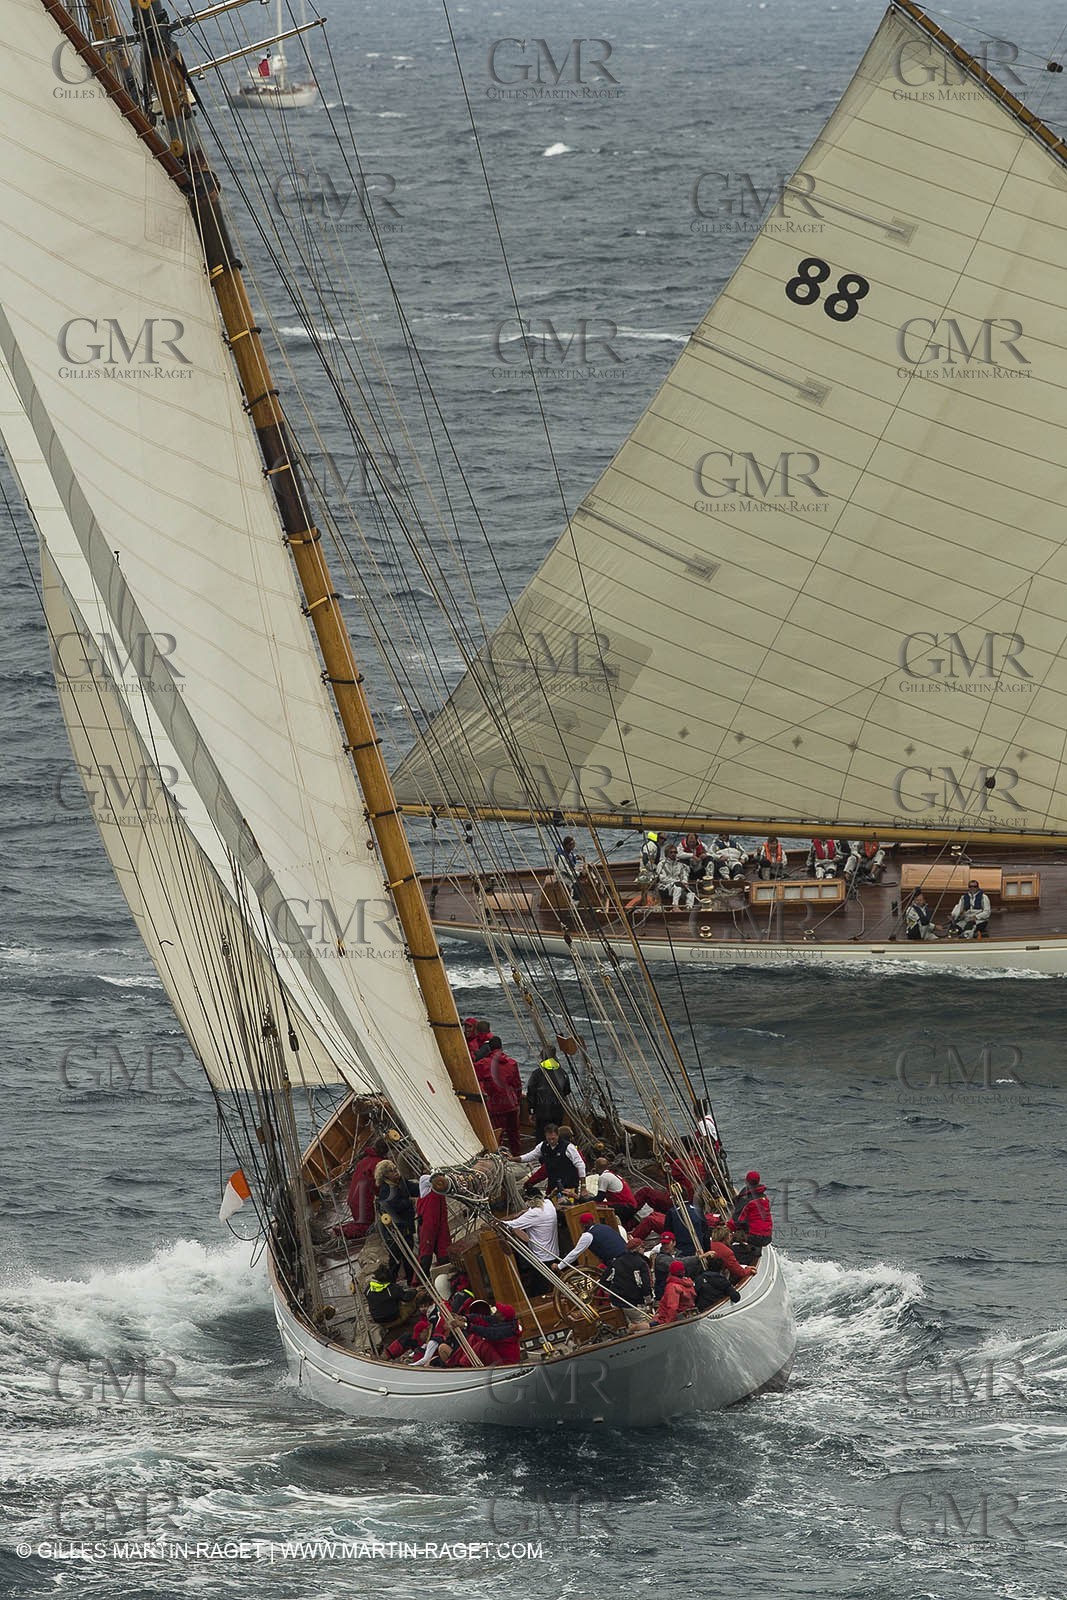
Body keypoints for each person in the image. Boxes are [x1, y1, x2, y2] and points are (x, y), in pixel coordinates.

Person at [500, 1194, 561, 1291]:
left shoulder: (534, 1213)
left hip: (541, 1259)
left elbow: (509, 1225)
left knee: (539, 1289)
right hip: (554, 1255)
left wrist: (517, 1215)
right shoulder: (549, 1204)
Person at [476, 1036, 522, 1155]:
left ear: (489, 1048)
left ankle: (497, 1158)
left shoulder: (483, 1064)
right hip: (512, 1104)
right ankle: (517, 1157)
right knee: (514, 1135)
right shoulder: (512, 1063)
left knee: (497, 1135)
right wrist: (517, 1101)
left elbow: (472, 1078)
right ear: (501, 1047)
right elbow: (517, 1085)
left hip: (496, 1106)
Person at [374, 1160, 418, 1281]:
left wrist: (426, 1185)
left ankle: (411, 1281)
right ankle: (391, 1281)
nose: (396, 1172)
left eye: (395, 1168)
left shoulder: (401, 1182)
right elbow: (393, 1206)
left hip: (406, 1226)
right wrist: (410, 1202)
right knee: (396, 1258)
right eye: (391, 1170)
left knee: (409, 1254)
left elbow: (413, 1188)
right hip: (396, 1231)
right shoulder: (385, 1190)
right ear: (385, 1175)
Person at [337, 1137, 386, 1240]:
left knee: (361, 1222)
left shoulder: (364, 1160)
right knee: (365, 1227)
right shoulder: (379, 1164)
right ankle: (338, 1231)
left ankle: (340, 1229)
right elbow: (378, 1186)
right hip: (362, 1203)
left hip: (353, 1199)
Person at [521, 1123, 586, 1194]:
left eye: (553, 1138)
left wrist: (528, 1183)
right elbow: (530, 1156)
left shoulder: (568, 1149)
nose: (551, 1141)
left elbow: (543, 1172)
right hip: (557, 1186)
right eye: (549, 1139)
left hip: (566, 1187)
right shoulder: (575, 1151)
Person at [600, 1240, 653, 1326]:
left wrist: (612, 1294)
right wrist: (649, 1301)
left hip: (616, 1303)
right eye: (643, 1248)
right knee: (643, 1326)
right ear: (639, 1248)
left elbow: (604, 1282)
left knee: (623, 1327)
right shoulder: (641, 1263)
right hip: (634, 1304)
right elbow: (645, 1285)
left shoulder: (616, 1262)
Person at [558, 1211, 628, 1269]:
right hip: (626, 1255)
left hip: (616, 1262)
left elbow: (575, 1253)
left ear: (583, 1225)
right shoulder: (605, 1227)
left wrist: (560, 1266)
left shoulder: (588, 1235)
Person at [525, 1056, 571, 1139]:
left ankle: (543, 1150)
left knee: (541, 1136)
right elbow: (567, 1091)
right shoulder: (563, 1073)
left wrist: (531, 1111)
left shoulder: (536, 1074)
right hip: (557, 1112)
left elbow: (531, 1094)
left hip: (542, 1112)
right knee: (556, 1135)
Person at [415, 1174, 451, 1277]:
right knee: (426, 1253)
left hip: (437, 1223)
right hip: (429, 1225)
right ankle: (420, 1281)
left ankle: (443, 1275)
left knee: (442, 1251)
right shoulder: (426, 1184)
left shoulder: (431, 1190)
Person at [730, 1169, 773, 1252]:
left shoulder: (747, 1200)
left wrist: (724, 1230)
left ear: (746, 1181)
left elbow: (736, 1220)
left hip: (756, 1237)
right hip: (767, 1237)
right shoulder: (764, 1198)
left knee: (730, 1237)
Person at [593, 1157, 638, 1222]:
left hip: (626, 1207)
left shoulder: (604, 1177)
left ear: (597, 1167)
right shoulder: (612, 1174)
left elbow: (600, 1198)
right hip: (630, 1205)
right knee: (602, 1204)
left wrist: (585, 1200)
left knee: (596, 1206)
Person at [656, 1259, 697, 1324]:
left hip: (672, 1320)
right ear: (684, 1271)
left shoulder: (672, 1286)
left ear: (670, 1272)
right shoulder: (689, 1284)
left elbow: (672, 1307)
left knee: (639, 1327)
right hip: (689, 1317)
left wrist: (669, 1323)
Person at [656, 845, 696, 910]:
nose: (673, 854)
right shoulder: (661, 864)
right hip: (664, 887)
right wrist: (676, 882)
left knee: (691, 891)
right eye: (671, 852)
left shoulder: (680, 865)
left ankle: (689, 907)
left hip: (678, 886)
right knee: (677, 888)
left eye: (675, 852)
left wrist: (684, 882)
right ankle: (675, 907)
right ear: (666, 854)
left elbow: (684, 875)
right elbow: (662, 878)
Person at [554, 835, 585, 904]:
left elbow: (570, 857)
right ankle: (574, 904)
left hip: (570, 869)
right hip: (563, 875)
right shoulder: (561, 857)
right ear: (568, 845)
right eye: (573, 845)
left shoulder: (567, 850)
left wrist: (577, 857)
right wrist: (580, 873)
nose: (574, 846)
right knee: (576, 886)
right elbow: (566, 871)